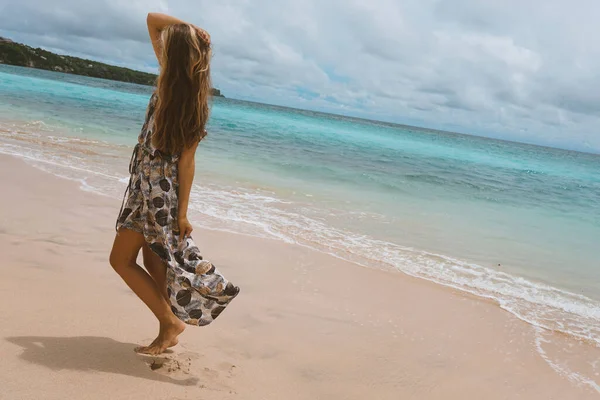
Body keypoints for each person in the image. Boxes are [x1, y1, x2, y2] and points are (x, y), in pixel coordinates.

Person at [109, 13, 240, 355]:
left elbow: (154, 20)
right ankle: (167, 326)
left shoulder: (170, 84)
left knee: (121, 260)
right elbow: (186, 163)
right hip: (155, 192)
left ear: (174, 56)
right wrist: (180, 211)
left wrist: (194, 30)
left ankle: (170, 323)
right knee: (154, 262)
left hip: (152, 195)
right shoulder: (191, 99)